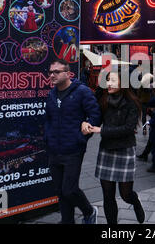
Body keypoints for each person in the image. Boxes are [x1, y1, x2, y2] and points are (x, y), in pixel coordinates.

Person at [44, 59, 101, 224]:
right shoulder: (52, 94)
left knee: (69, 189)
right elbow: (48, 119)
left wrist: (82, 137)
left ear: (68, 73)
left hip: (73, 150)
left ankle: (89, 211)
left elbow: (95, 115)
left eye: (56, 72)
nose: (52, 75)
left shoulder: (82, 91)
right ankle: (67, 220)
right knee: (60, 191)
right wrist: (47, 137)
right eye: (50, 72)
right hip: (54, 149)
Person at [89, 71, 145, 224]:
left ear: (123, 83)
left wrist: (102, 130)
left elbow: (128, 129)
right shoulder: (104, 100)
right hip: (107, 149)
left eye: (113, 80)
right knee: (108, 195)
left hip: (125, 150)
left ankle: (136, 202)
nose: (109, 84)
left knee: (126, 194)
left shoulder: (131, 103)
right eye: (107, 80)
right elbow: (96, 120)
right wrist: (87, 125)